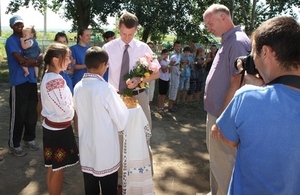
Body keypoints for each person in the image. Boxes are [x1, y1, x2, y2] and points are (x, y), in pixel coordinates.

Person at [211, 16, 300, 194]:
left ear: (266, 52)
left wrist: (241, 86)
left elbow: (226, 136)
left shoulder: (247, 97)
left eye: (253, 53)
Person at [102, 12, 160, 189]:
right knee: (117, 137)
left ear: (136, 29)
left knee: (143, 135)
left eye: (131, 34)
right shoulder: (108, 48)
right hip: (116, 97)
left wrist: (140, 80)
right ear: (118, 28)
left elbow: (156, 72)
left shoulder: (143, 48)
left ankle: (144, 177)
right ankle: (120, 180)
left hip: (139, 97)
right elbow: (99, 72)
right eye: (124, 34)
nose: (127, 38)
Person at [203, 4, 251, 195]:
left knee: (224, 163)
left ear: (223, 17)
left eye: (210, 23)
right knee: (216, 160)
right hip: (216, 113)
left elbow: (237, 82)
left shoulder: (237, 41)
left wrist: (223, 119)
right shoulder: (227, 40)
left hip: (224, 116)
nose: (208, 28)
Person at [73, 46, 129, 195]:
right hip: (106, 148)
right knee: (108, 187)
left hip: (87, 145)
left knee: (90, 187)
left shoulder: (78, 87)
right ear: (104, 64)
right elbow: (122, 119)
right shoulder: (106, 88)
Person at [40, 42, 79, 195]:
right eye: (67, 58)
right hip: (58, 131)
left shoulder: (52, 77)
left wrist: (69, 105)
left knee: (52, 167)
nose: (70, 61)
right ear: (56, 60)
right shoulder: (55, 80)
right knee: (58, 169)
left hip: (53, 128)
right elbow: (64, 111)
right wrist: (73, 108)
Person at [5, 15, 41, 157]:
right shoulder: (11, 41)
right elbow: (22, 61)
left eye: (20, 24)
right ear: (12, 27)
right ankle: (14, 144)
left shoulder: (29, 38)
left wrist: (36, 60)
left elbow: (40, 55)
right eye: (16, 24)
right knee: (18, 114)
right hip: (19, 81)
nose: (19, 26)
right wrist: (36, 61)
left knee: (31, 112)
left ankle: (29, 138)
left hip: (31, 80)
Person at [168, 40, 181, 112]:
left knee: (176, 88)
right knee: (172, 88)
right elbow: (170, 64)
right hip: (172, 72)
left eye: (179, 46)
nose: (178, 47)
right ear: (174, 46)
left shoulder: (179, 54)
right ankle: (170, 106)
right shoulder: (172, 54)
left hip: (177, 72)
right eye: (177, 46)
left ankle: (173, 104)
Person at [157, 49, 170, 113]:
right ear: (162, 54)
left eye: (167, 54)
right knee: (160, 93)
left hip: (167, 78)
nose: (166, 56)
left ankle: (162, 106)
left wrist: (170, 66)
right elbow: (163, 70)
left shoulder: (168, 61)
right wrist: (169, 66)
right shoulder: (161, 61)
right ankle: (159, 107)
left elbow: (170, 71)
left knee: (164, 94)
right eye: (165, 54)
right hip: (162, 78)